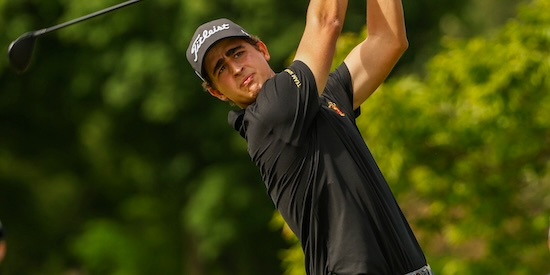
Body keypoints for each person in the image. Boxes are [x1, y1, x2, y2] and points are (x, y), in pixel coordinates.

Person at [186, 0, 431, 273]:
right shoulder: (269, 115)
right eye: (220, 69)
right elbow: (327, 21)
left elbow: (388, 39)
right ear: (218, 92)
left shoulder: (322, 99)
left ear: (262, 49)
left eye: (237, 53)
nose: (235, 68)